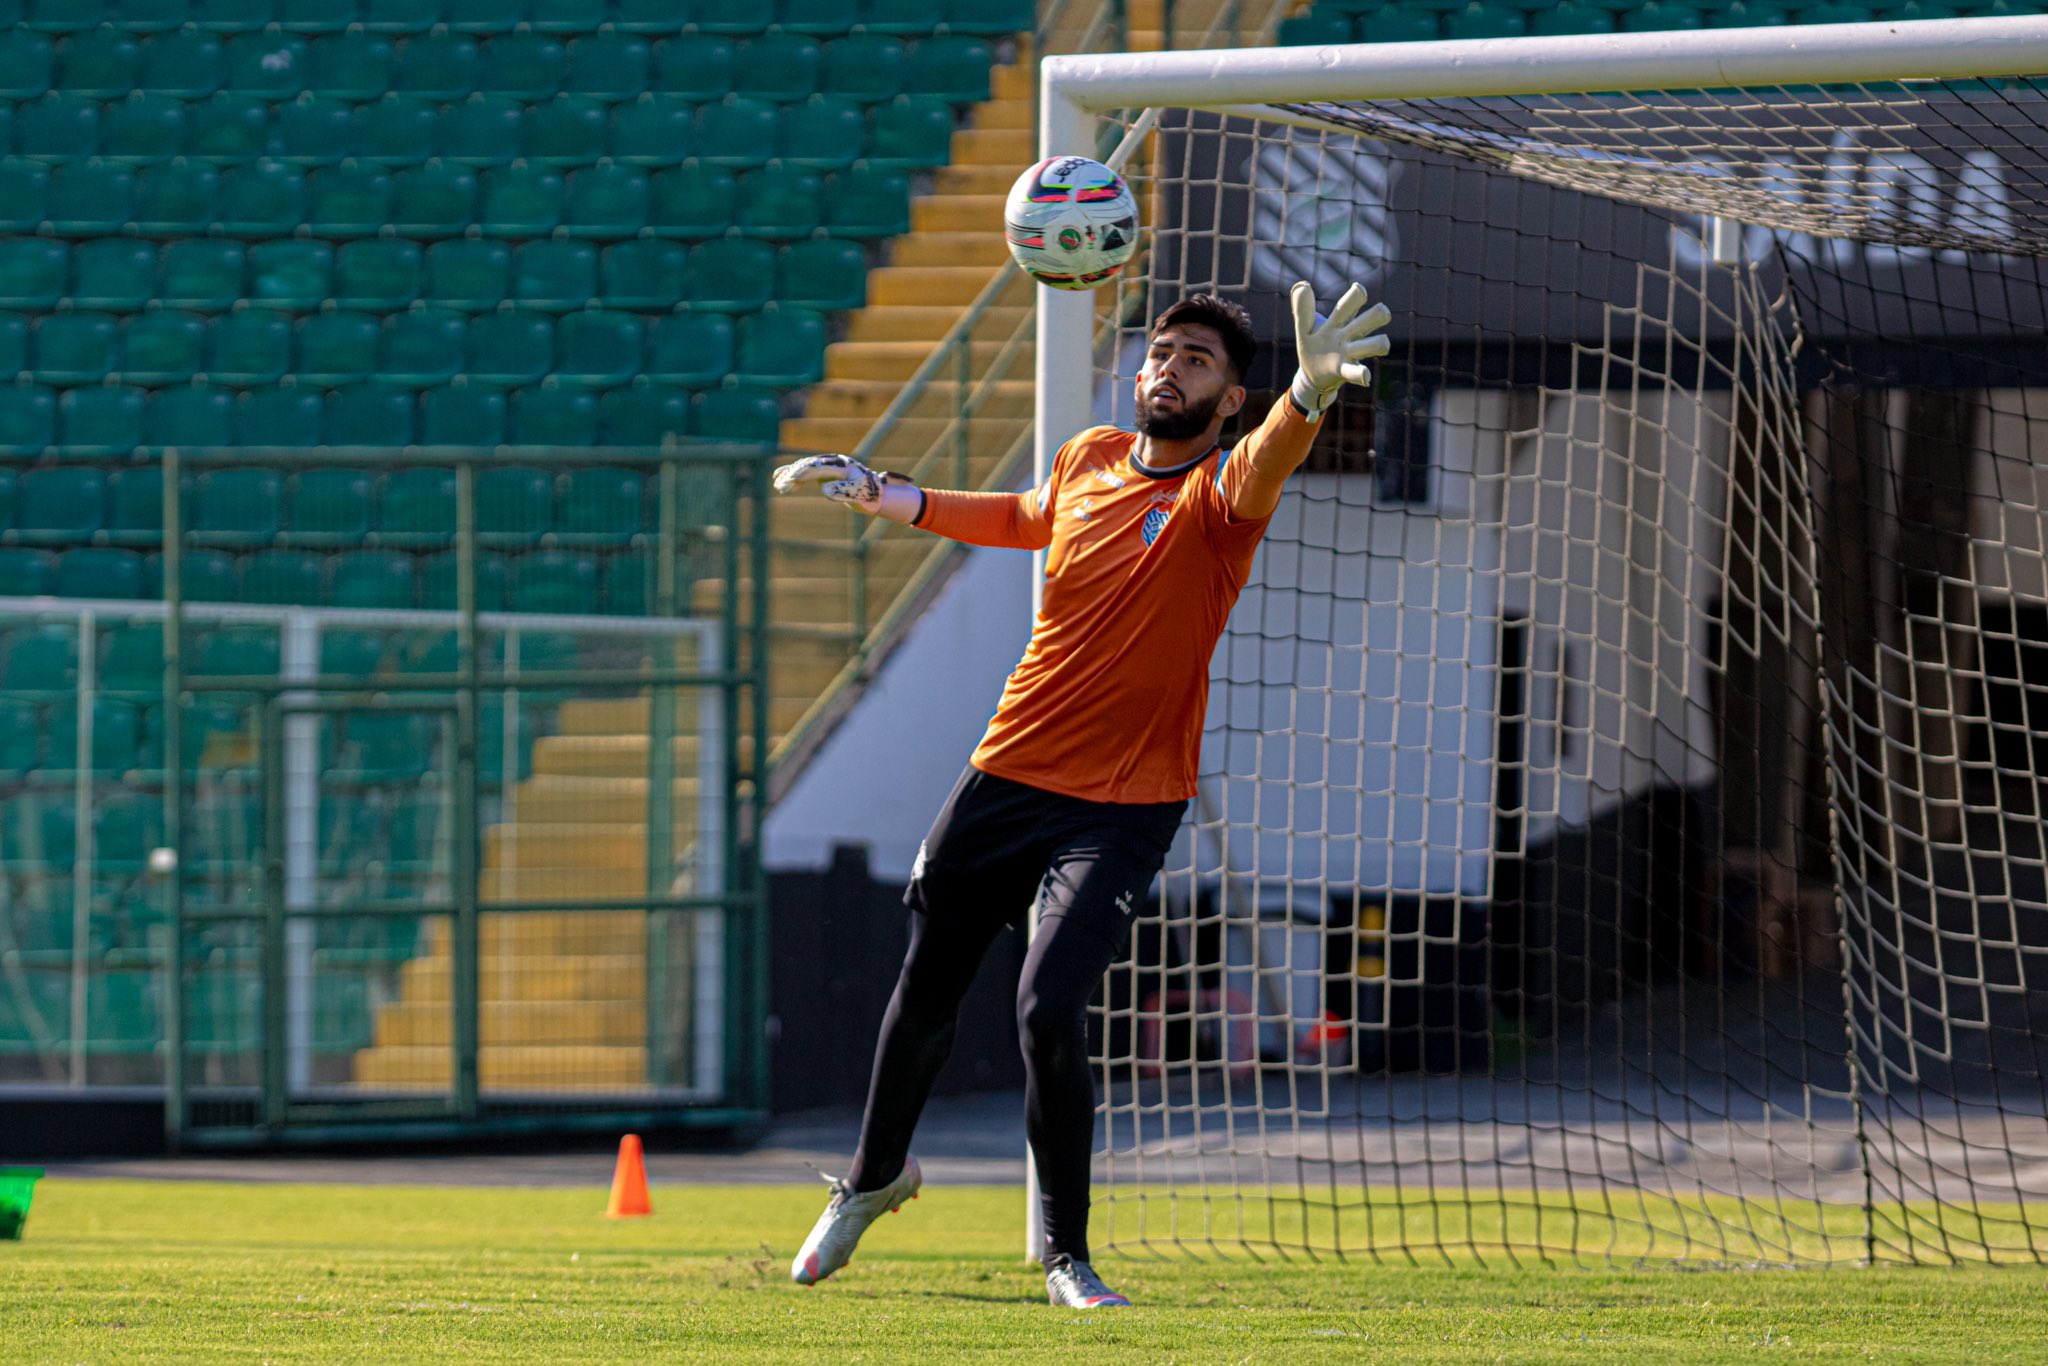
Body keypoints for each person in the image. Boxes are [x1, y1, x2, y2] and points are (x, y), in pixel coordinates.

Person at [773, 280, 1392, 1308]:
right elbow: (1022, 515)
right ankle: (872, 1178)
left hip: (1122, 805)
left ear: (1230, 399)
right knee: (925, 987)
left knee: (1045, 1009)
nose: (1167, 367)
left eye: (1196, 359)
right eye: (1160, 350)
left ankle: (1066, 1255)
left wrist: (1309, 395)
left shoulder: (1220, 497)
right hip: (1007, 769)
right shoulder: (1088, 457)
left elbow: (1271, 458)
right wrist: (882, 490)